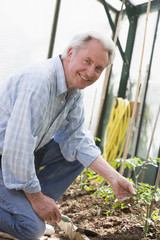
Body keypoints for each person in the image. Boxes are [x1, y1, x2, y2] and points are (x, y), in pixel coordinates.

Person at [0, 32, 135, 240]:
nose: (90, 72)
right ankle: (28, 209)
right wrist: (36, 198)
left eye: (98, 68)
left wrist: (114, 178)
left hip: (14, 159)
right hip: (5, 158)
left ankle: (23, 206)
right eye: (87, 61)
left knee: (76, 156)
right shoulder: (40, 83)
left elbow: (78, 139)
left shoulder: (73, 91)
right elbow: (16, 149)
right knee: (31, 229)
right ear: (71, 53)